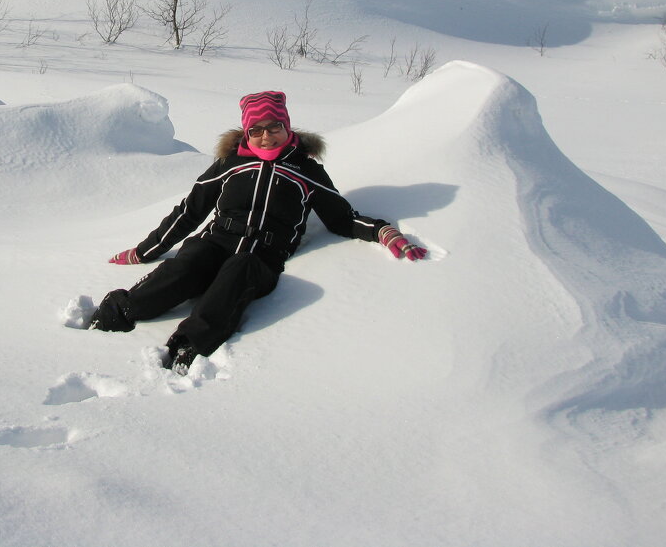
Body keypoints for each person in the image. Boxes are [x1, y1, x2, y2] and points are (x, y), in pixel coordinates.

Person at [88, 90, 427, 374]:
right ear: (246, 132)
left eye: (274, 127)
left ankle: (189, 343)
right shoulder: (230, 164)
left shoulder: (306, 171)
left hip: (262, 258)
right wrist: (145, 250)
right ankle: (120, 312)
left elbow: (341, 218)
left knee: (241, 267)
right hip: (215, 244)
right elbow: (190, 212)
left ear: (287, 126)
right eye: (257, 130)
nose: (266, 136)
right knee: (191, 260)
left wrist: (382, 232)